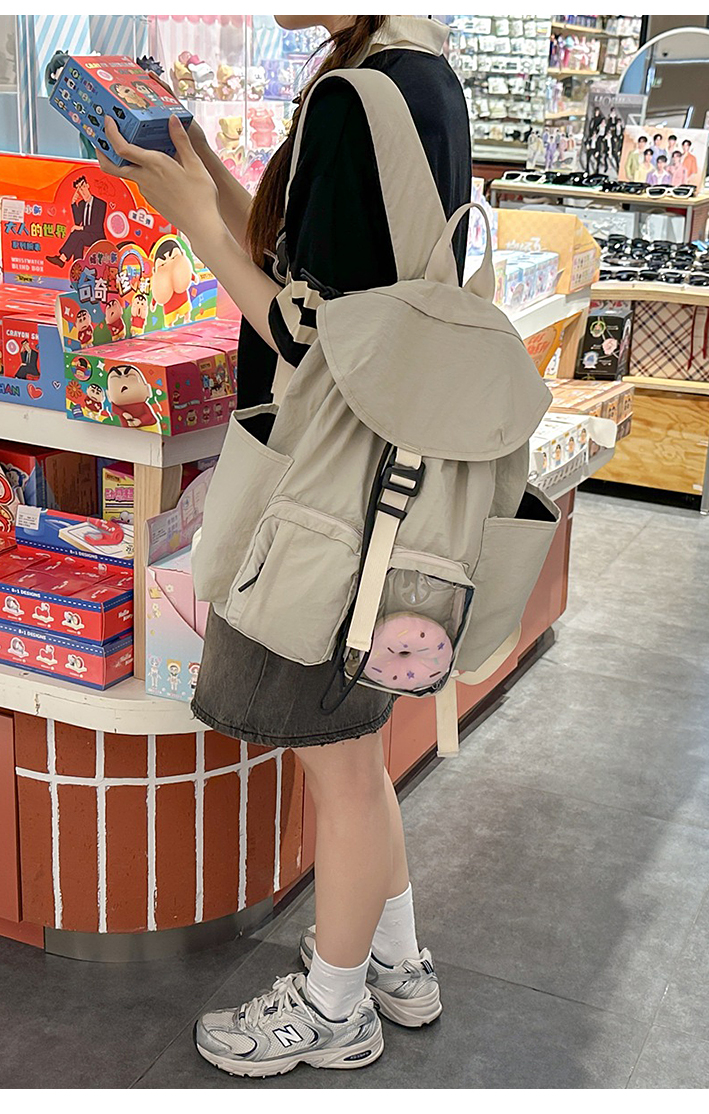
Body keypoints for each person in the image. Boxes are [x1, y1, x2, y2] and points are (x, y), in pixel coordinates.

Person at [96, 15, 469, 1080]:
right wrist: (205, 170)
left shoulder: (354, 97)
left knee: (337, 766)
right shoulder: (420, 75)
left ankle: (335, 1007)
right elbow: (331, 281)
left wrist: (193, 221)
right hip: (381, 490)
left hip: (321, 498)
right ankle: (394, 961)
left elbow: (313, 342)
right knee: (354, 747)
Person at [46, 175, 107, 268]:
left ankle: (62, 259)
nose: (82, 191)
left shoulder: (100, 204)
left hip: (97, 236)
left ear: (87, 186)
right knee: (79, 240)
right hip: (86, 236)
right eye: (79, 189)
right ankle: (77, 266)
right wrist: (73, 204)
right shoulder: (82, 204)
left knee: (78, 234)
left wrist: (80, 228)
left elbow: (98, 227)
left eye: (83, 186)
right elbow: (77, 222)